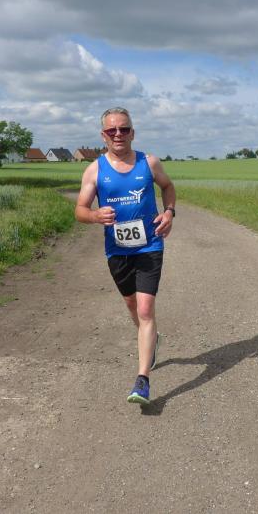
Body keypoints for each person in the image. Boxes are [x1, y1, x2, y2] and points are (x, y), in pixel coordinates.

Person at [75, 107, 176, 406]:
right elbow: (80, 210)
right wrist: (95, 216)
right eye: (112, 130)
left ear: (133, 132)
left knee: (145, 309)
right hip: (117, 250)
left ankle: (142, 380)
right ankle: (151, 338)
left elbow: (168, 187)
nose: (118, 134)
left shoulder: (149, 162)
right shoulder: (94, 170)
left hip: (149, 246)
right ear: (103, 135)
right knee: (132, 304)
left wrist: (169, 212)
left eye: (124, 129)